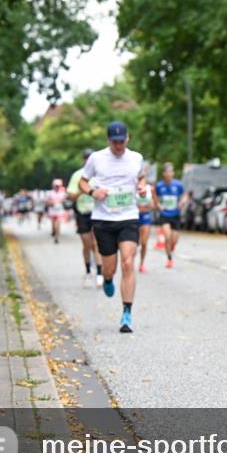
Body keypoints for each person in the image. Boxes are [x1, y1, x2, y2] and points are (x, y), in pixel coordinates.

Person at [77, 121, 146, 332]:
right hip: (103, 219)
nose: (118, 146)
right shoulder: (97, 158)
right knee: (111, 267)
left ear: (128, 138)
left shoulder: (136, 158)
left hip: (129, 217)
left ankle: (126, 313)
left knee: (127, 262)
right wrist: (92, 192)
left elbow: (141, 177)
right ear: (108, 141)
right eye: (115, 142)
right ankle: (107, 278)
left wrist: (142, 187)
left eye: (122, 141)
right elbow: (83, 181)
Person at [67, 149, 102, 288]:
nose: (89, 161)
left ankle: (100, 273)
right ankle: (88, 271)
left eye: (91, 158)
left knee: (97, 243)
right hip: (83, 213)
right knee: (87, 244)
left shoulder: (100, 174)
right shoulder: (77, 175)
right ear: (83, 160)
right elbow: (70, 196)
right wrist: (83, 190)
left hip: (98, 213)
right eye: (86, 158)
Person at [153, 162, 184, 267]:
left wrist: (182, 202)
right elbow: (155, 196)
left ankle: (171, 248)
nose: (169, 174)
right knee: (167, 236)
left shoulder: (178, 185)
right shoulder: (159, 186)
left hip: (175, 214)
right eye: (167, 171)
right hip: (165, 214)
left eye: (171, 171)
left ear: (173, 173)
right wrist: (158, 205)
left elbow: (184, 196)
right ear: (164, 174)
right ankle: (169, 260)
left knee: (174, 240)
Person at [136, 165, 154, 274]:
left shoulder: (150, 188)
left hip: (146, 216)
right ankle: (130, 260)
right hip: (134, 216)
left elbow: (154, 204)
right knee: (135, 242)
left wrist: (152, 205)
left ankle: (142, 264)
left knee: (144, 242)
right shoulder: (133, 186)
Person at [46, 179, 67, 243]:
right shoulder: (50, 193)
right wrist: (52, 203)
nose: (57, 187)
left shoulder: (63, 193)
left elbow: (65, 202)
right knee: (53, 225)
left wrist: (62, 202)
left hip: (59, 211)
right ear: (53, 186)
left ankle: (56, 237)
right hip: (52, 211)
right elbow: (46, 202)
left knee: (58, 223)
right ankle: (54, 232)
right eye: (56, 186)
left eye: (58, 186)